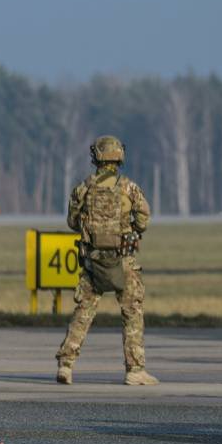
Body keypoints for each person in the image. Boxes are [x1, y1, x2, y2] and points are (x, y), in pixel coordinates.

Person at [56, 135, 157, 386]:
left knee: (83, 312)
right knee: (132, 312)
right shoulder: (129, 188)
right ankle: (135, 370)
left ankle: (66, 364)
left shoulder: (84, 188)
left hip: (93, 262)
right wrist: (132, 227)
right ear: (119, 156)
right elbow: (144, 216)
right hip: (123, 261)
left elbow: (71, 222)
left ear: (97, 156)